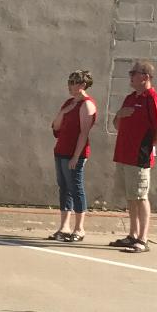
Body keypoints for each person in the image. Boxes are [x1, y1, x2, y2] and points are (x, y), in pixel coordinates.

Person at [110, 60, 157, 253]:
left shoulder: (152, 98)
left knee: (141, 196)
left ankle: (143, 239)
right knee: (131, 196)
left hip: (139, 157)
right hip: (124, 155)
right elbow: (116, 125)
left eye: (133, 73)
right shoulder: (129, 98)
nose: (130, 77)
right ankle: (132, 235)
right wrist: (120, 114)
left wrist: (148, 146)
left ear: (145, 77)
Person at [49, 70, 97, 242]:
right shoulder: (69, 103)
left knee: (76, 188)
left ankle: (79, 228)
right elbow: (56, 125)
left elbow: (83, 133)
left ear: (83, 85)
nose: (69, 85)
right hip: (61, 150)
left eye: (73, 82)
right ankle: (64, 227)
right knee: (64, 188)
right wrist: (65, 110)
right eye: (69, 81)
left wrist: (76, 157)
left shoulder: (87, 105)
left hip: (74, 154)